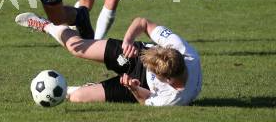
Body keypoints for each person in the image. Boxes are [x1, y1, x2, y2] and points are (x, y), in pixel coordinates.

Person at [15, 12, 202, 106]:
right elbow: (142, 22)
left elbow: (147, 100)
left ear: (167, 80)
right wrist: (129, 41)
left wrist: (134, 88)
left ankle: (86, 88)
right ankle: (46, 26)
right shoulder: (183, 50)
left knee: (78, 98)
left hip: (139, 84)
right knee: (76, 48)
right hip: (136, 54)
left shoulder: (174, 99)